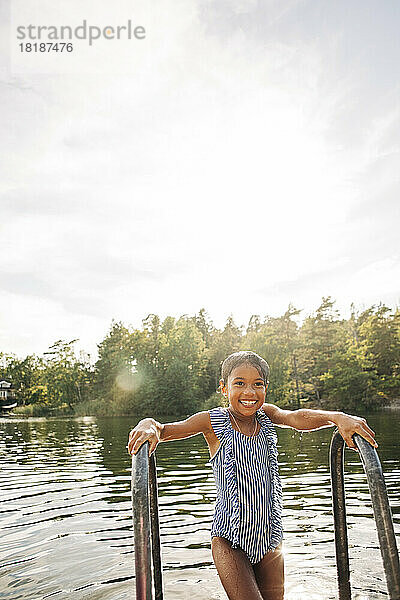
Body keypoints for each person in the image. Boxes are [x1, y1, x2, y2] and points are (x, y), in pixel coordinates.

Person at [127, 350, 377, 600]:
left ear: (266, 388)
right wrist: (149, 424)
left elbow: (296, 417)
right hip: (229, 540)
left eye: (257, 384)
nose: (249, 392)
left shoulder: (267, 416)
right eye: (239, 384)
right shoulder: (213, 421)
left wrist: (337, 418)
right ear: (224, 389)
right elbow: (168, 430)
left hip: (270, 539)